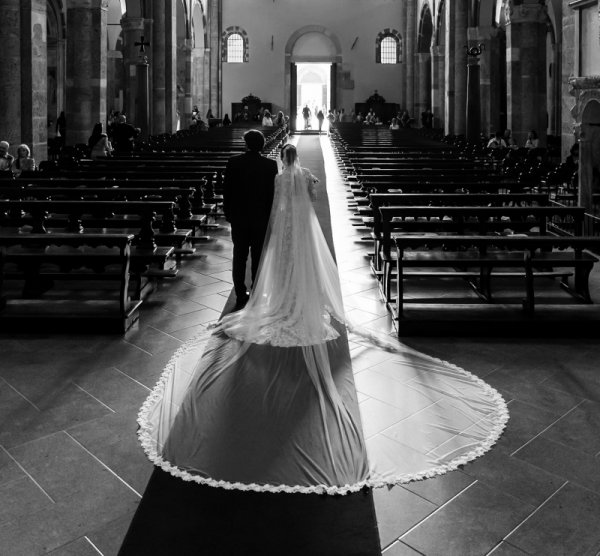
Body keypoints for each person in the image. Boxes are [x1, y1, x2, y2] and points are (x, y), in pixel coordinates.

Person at [138, 143, 509, 495]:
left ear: (281, 158)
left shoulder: (278, 176)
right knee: (303, 265)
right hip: (300, 229)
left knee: (278, 265)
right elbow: (310, 194)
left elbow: (269, 199)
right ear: (296, 157)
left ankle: (267, 296)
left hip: (281, 228)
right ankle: (298, 299)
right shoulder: (300, 175)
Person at [222, 129, 278, 310]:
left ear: (246, 144)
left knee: (239, 256)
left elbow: (227, 190)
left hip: (239, 216)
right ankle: (256, 291)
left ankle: (240, 293)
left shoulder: (233, 162)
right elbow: (272, 195)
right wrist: (271, 216)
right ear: (262, 145)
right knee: (257, 256)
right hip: (260, 217)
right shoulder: (270, 165)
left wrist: (228, 212)